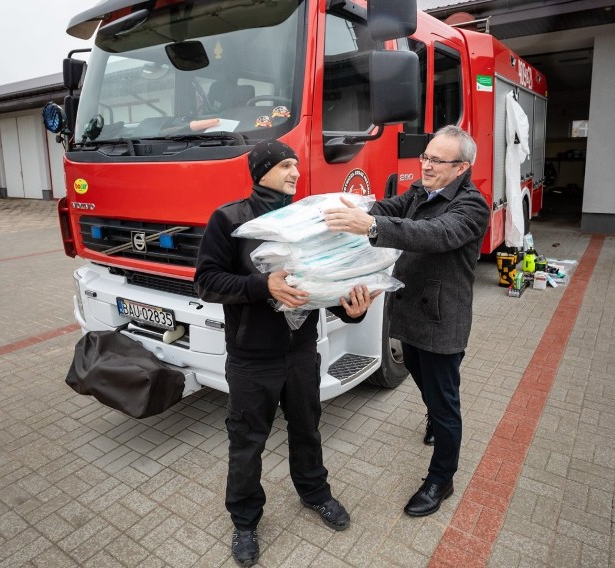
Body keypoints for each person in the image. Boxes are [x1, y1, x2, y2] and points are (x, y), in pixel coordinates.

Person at [194, 139, 375, 567]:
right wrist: (263, 285)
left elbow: (323, 282)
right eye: (286, 166)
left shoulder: (311, 220)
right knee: (247, 443)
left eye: (296, 166)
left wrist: (349, 310)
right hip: (251, 357)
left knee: (308, 429)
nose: (295, 173)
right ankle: (244, 521)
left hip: (300, 352)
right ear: (261, 171)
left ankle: (315, 494)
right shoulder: (230, 219)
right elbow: (206, 282)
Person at [323, 125, 490, 517]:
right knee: (417, 371)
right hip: (411, 309)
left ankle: (441, 479)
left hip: (441, 318)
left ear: (462, 167)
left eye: (436, 160)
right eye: (425, 157)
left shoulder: (471, 205)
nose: (426, 166)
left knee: (446, 403)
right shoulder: (420, 190)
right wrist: (356, 210)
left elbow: (435, 233)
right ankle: (432, 413)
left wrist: (374, 228)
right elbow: (390, 209)